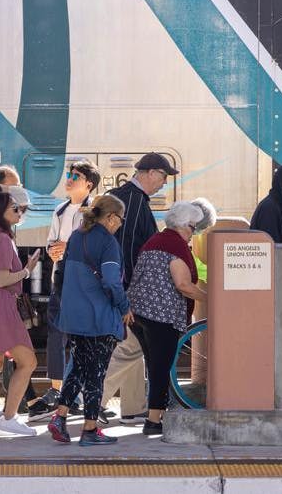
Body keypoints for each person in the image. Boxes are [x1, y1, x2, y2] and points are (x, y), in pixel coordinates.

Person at [126, 199, 215, 435]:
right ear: (183, 225)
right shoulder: (175, 247)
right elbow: (184, 285)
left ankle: (155, 414)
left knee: (154, 365)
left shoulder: (154, 241)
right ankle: (154, 421)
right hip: (161, 316)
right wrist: (213, 299)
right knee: (160, 367)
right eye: (192, 228)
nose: (192, 233)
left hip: (140, 314)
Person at [48, 195, 130, 447]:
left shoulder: (76, 236)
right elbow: (111, 281)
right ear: (111, 217)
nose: (120, 224)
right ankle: (90, 429)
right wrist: (124, 306)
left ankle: (60, 416)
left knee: (80, 367)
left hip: (74, 315)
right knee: (96, 373)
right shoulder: (108, 242)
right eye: (120, 219)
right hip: (99, 316)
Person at [103, 152, 175, 424]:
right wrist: (129, 293)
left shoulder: (126, 197)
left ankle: (132, 407)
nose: (164, 184)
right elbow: (128, 249)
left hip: (120, 285)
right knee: (131, 346)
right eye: (164, 177)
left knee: (134, 344)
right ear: (152, 172)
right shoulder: (133, 201)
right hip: (127, 287)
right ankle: (91, 400)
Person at [29, 160, 101, 422]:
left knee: (81, 338)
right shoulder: (59, 210)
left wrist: (66, 248)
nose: (68, 178)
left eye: (75, 176)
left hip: (83, 284)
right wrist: (53, 250)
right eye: (69, 174)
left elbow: (94, 247)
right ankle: (57, 389)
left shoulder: (94, 211)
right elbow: (51, 242)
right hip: (60, 279)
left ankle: (78, 392)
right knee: (56, 335)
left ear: (88, 184)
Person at [0, 189, 41, 437]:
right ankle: (7, 417)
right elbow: (3, 279)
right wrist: (27, 270)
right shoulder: (1, 239)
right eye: (15, 208)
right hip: (1, 306)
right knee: (26, 361)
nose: (20, 211)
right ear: (0, 213)